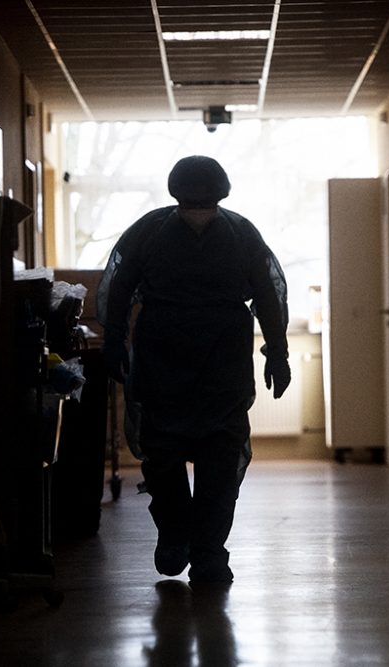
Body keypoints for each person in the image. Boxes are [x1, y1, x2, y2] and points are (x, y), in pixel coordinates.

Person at [97, 155, 291, 584]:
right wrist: (113, 340)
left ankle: (208, 552)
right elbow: (119, 287)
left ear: (221, 198)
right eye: (191, 205)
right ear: (176, 198)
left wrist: (277, 352)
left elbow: (267, 294)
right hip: (162, 362)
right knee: (162, 457)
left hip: (222, 365)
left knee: (220, 463)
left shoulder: (241, 235)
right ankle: (174, 533)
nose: (199, 213)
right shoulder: (149, 233)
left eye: (207, 204)